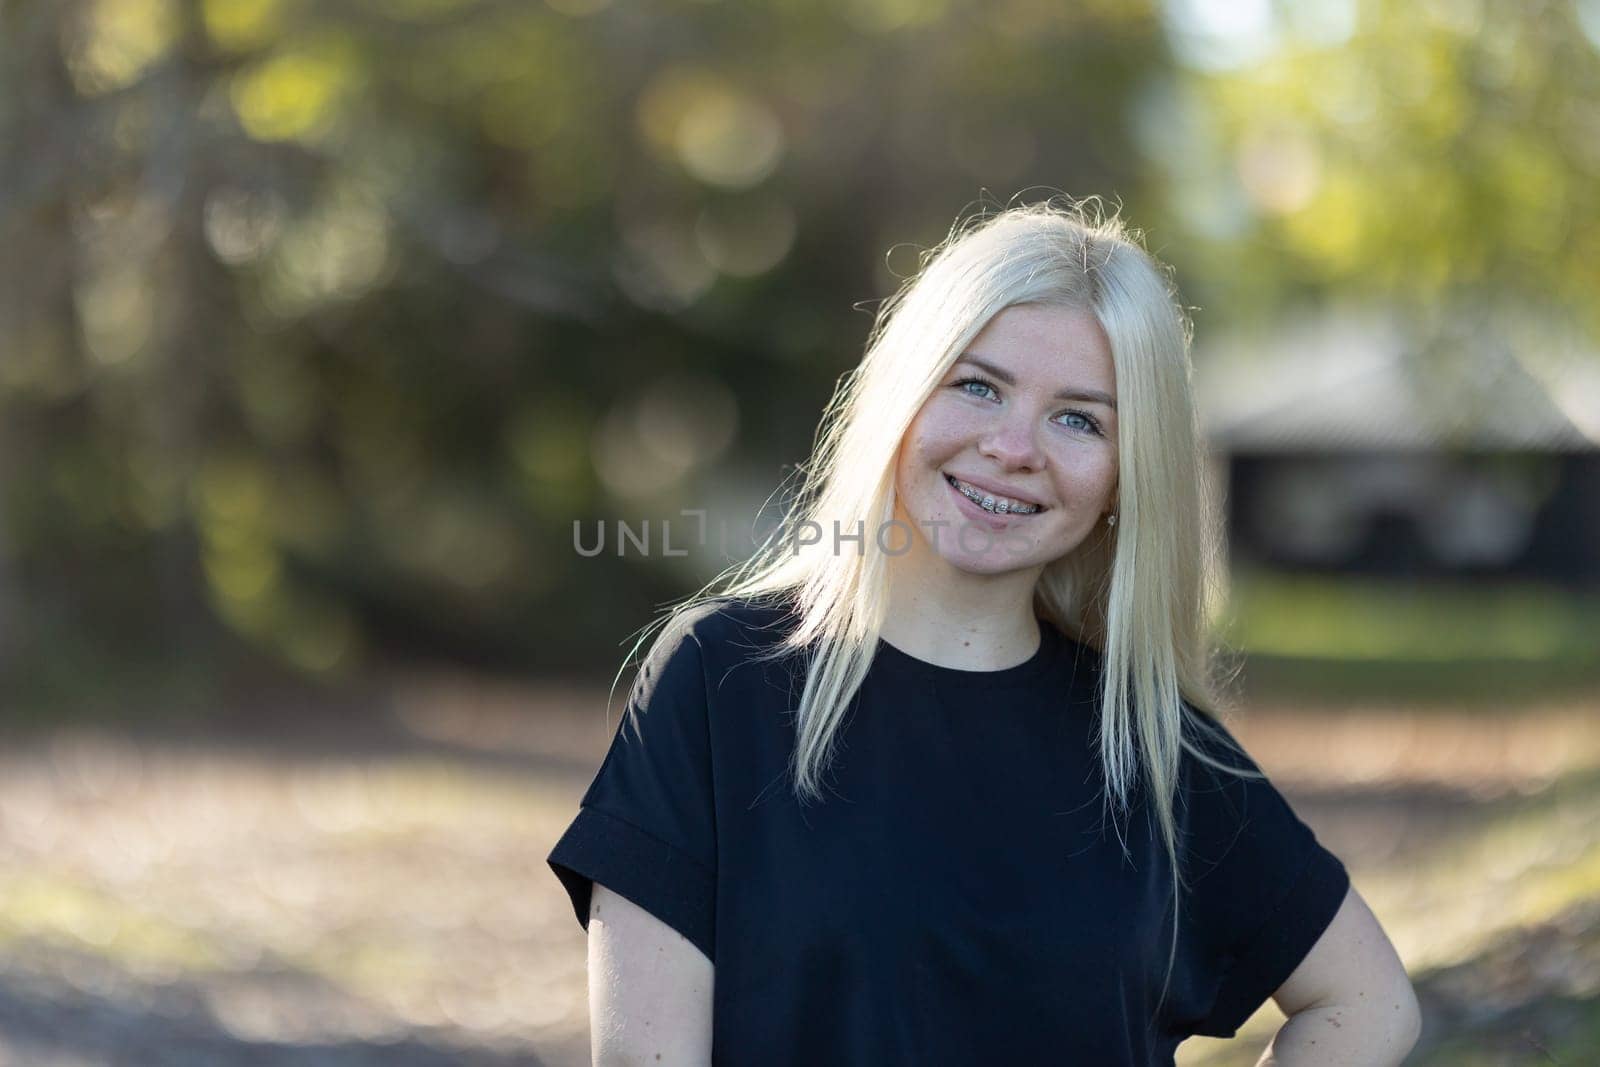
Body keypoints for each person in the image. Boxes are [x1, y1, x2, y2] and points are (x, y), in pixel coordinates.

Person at [548, 199, 1421, 1065]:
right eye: (977, 385)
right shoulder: (720, 680)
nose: (1014, 446)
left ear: (1125, 477)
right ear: (903, 395)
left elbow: (1368, 1000)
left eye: (1078, 418)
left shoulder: (1147, 741)